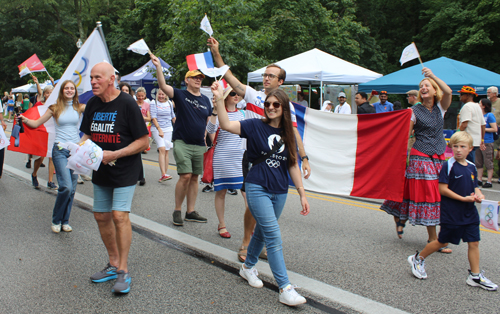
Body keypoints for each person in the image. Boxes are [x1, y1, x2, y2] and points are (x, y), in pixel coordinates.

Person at [208, 37, 311, 263]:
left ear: (280, 81)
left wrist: (304, 157)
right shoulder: (255, 96)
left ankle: (258, 245)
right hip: (254, 157)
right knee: (253, 204)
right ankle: (246, 243)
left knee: (271, 206)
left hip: (278, 157)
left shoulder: (288, 106)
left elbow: (293, 134)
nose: (265, 78)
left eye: (270, 75)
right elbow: (232, 81)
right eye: (265, 74)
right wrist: (217, 54)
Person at [212, 82, 310, 306]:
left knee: (264, 234)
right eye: (268, 104)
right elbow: (226, 124)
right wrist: (218, 99)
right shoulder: (255, 125)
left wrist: (302, 194)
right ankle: (285, 287)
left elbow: (292, 164)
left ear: (284, 108)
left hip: (280, 191)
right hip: (257, 186)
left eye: (276, 104)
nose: (271, 107)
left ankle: (247, 268)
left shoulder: (288, 133)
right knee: (274, 237)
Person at [81, 62, 149, 294]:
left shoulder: (128, 103)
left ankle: (123, 271)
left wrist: (115, 154)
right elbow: (88, 135)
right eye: (91, 78)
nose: (92, 82)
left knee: (119, 216)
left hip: (125, 169)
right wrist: (75, 148)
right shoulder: (92, 103)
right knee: (101, 216)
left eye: (97, 77)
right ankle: (113, 263)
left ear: (112, 79)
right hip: (101, 169)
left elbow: (144, 141)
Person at [408, 132, 497, 291]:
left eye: (462, 147)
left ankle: (475, 276)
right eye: (455, 146)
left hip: (469, 212)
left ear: (470, 149)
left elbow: (474, 186)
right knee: (443, 241)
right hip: (452, 212)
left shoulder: (471, 167)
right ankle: (418, 259)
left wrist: (479, 195)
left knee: (474, 242)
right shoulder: (447, 166)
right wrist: (462, 199)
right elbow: (442, 189)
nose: (458, 150)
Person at [381, 67, 452, 251]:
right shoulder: (413, 111)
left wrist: (433, 75)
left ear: (435, 90)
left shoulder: (440, 108)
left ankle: (401, 215)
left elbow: (449, 91)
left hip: (439, 157)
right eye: (421, 86)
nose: (423, 87)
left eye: (427, 85)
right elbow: (406, 135)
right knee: (431, 197)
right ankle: (433, 240)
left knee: (440, 196)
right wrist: (400, 158)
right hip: (420, 156)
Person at [151, 54, 212, 226]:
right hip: (182, 142)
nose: (198, 80)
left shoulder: (206, 100)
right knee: (185, 175)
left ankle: (190, 211)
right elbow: (163, 85)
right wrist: (158, 67)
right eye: (194, 77)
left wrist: (206, 139)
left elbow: (206, 121)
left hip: (199, 144)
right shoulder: (180, 95)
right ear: (187, 80)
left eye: (200, 78)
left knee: (194, 177)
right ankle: (177, 210)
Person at [20, 80, 85, 233]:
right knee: (66, 187)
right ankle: (56, 219)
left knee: (73, 189)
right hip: (60, 150)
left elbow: (98, 110)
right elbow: (36, 124)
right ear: (62, 91)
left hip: (75, 151)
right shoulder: (54, 108)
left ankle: (65, 221)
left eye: (72, 88)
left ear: (75, 91)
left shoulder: (80, 107)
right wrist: (25, 119)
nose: (69, 90)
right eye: (66, 88)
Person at [207, 87, 245, 238]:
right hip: (222, 158)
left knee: (247, 193)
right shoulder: (220, 112)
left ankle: (252, 226)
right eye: (232, 94)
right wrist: (216, 110)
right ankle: (221, 224)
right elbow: (210, 130)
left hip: (240, 159)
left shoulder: (243, 113)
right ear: (226, 96)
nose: (236, 96)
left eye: (238, 93)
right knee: (221, 192)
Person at [30, 78, 57, 189]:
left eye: (51, 92)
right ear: (44, 94)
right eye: (47, 93)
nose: (49, 94)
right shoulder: (39, 105)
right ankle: (34, 174)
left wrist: (53, 81)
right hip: (41, 133)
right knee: (40, 158)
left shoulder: (56, 104)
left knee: (52, 157)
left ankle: (50, 181)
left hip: (53, 133)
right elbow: (33, 117)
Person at [150, 89, 176, 182]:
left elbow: (173, 116)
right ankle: (163, 174)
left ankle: (165, 173)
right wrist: (159, 129)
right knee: (162, 148)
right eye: (159, 94)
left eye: (163, 94)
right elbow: (153, 117)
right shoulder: (154, 103)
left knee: (166, 151)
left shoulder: (169, 103)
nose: (161, 96)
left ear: (166, 95)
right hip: (157, 128)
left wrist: (178, 127)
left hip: (168, 128)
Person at [458, 86, 485, 164]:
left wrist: (456, 135)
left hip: (467, 141)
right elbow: (483, 125)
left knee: (466, 163)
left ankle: (471, 176)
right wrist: (482, 140)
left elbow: (464, 124)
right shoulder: (477, 106)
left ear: (468, 95)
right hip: (476, 141)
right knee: (472, 163)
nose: (460, 97)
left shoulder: (467, 106)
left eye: (462, 94)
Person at [475, 98, 496, 188]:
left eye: (480, 103)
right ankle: (479, 179)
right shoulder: (478, 115)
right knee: (478, 161)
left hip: (487, 141)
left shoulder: (489, 115)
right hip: (478, 141)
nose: (478, 104)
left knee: (488, 161)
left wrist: (483, 129)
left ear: (484, 105)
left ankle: (489, 180)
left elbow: (495, 129)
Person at [135, 87, 150, 185]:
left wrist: (142, 117)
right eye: (139, 96)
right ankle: (140, 176)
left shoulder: (147, 105)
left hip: (142, 130)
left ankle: (141, 176)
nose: (140, 98)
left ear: (145, 95)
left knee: (138, 154)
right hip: (134, 130)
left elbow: (149, 118)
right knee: (136, 155)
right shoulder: (133, 103)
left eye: (142, 96)